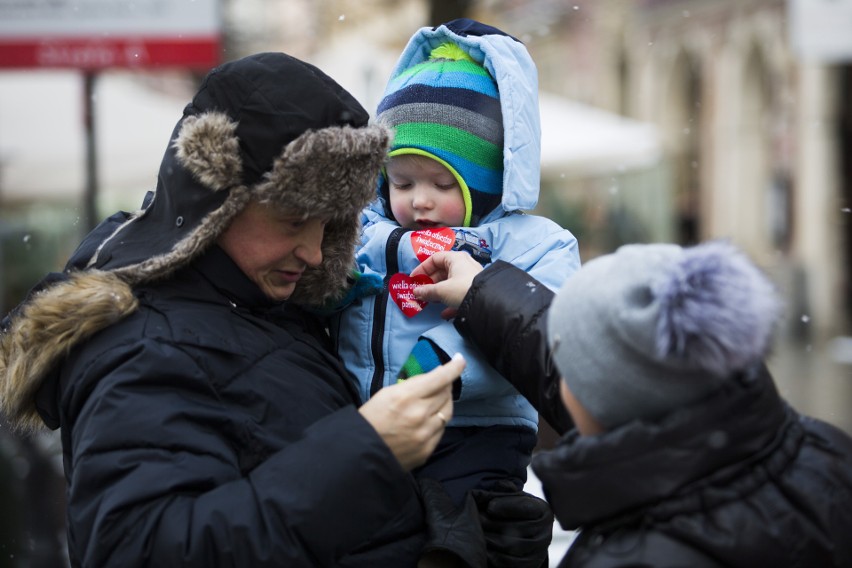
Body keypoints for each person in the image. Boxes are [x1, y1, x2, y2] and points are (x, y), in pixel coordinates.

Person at [0, 52, 554, 567]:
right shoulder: (146, 347)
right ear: (218, 202)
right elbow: (142, 550)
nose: (315, 252)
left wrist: (455, 534)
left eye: (330, 225)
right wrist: (368, 454)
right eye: (294, 220)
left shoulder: (272, 305)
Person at [412, 244, 852, 567]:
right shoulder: (825, 452)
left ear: (588, 400)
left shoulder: (631, 557)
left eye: (569, 368)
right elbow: (612, 356)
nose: (560, 375)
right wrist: (483, 291)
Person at [331, 18, 581, 514]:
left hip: (479, 427)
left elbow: (538, 329)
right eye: (401, 182)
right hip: (370, 417)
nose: (420, 201)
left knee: (462, 526)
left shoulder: (535, 245)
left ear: (484, 182)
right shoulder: (365, 230)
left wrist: (440, 361)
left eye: (443, 185)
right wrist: (338, 290)